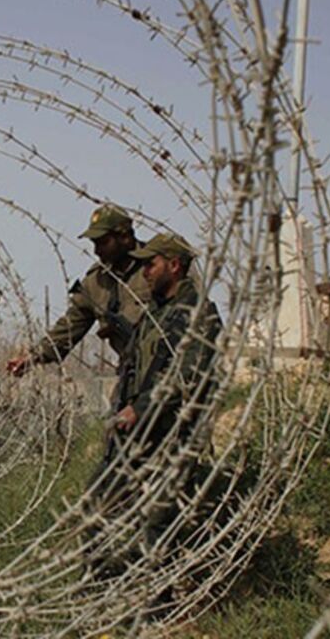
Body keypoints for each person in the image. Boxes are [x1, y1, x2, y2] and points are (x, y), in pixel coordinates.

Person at [85, 231, 222, 579]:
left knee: (158, 523)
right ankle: (98, 585)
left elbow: (186, 374)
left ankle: (159, 601)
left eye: (151, 264)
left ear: (174, 266)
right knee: (96, 504)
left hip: (172, 433)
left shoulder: (197, 313)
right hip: (136, 434)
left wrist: (141, 408)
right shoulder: (155, 313)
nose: (144, 272)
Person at [6, 204, 151, 376]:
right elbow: (71, 325)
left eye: (103, 243)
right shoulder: (95, 281)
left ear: (125, 237)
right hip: (133, 372)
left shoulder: (156, 265)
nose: (97, 251)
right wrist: (34, 357)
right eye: (94, 244)